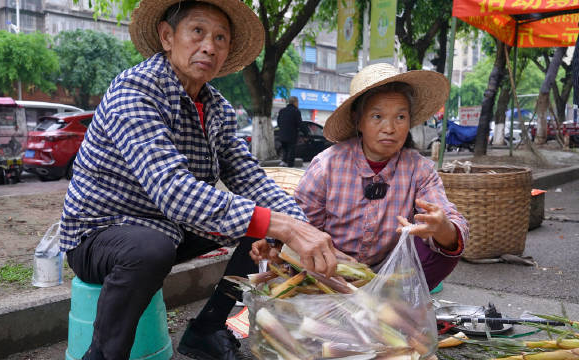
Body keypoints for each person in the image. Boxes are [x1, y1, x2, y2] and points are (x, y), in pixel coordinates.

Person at [58, 1, 338, 360]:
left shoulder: (216, 108)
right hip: (100, 233)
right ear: (167, 37)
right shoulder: (134, 92)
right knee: (151, 248)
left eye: (220, 38)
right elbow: (173, 190)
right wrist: (285, 225)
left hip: (168, 227)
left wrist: (302, 229)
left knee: (264, 228)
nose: (209, 45)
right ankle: (102, 355)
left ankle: (207, 329)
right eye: (198, 32)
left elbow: (250, 178)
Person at [253, 63, 469, 290]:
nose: (390, 128)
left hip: (389, 276)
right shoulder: (327, 165)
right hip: (328, 270)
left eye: (400, 117)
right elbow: (300, 224)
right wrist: (277, 247)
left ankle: (389, 302)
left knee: (446, 249)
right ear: (358, 120)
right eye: (377, 116)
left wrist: (444, 227)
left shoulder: (419, 169)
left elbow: (449, 219)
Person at [277, 96, 302, 167]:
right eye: (297, 102)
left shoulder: (282, 111)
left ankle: (283, 163)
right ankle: (290, 168)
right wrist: (306, 133)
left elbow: (279, 122)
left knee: (285, 151)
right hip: (291, 136)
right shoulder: (296, 111)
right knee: (291, 153)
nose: (298, 104)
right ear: (295, 102)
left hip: (282, 136)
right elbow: (299, 124)